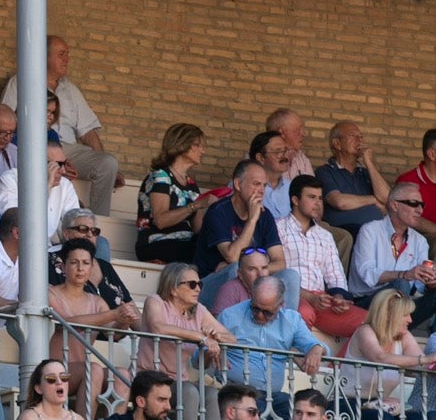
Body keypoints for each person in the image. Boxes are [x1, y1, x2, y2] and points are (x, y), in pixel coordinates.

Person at [1, 35, 121, 214]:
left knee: (108, 163)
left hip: (67, 149)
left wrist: (112, 172)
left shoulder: (70, 89)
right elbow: (5, 120)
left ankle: (94, 223)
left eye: (67, 54)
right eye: (62, 54)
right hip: (32, 145)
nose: (67, 59)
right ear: (44, 56)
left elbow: (88, 132)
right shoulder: (20, 81)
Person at [343, 295, 436, 420]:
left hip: (379, 404)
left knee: (419, 419)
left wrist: (431, 363)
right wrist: (426, 358)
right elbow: (380, 357)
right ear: (389, 315)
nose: (410, 320)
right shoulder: (365, 331)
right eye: (405, 314)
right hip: (347, 405)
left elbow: (419, 363)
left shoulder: (402, 336)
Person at [139, 260, 236, 420]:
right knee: (190, 392)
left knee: (213, 394)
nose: (198, 289)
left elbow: (231, 338)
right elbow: (158, 327)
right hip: (150, 377)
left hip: (180, 380)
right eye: (192, 284)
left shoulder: (198, 310)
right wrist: (201, 337)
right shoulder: (156, 302)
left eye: (199, 284)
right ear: (173, 289)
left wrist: (214, 334)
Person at [218, 276, 325, 420]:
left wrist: (316, 348)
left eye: (267, 312)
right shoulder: (230, 316)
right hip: (238, 392)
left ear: (281, 304)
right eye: (255, 309)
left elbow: (315, 345)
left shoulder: (291, 320)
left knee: (302, 418)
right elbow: (199, 358)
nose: (260, 315)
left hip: (273, 396)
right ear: (251, 297)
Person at [48, 239, 138, 415]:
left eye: (86, 263)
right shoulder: (50, 292)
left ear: (92, 267)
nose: (80, 268)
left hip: (84, 371)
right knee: (94, 369)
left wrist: (125, 319)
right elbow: (66, 324)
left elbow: (115, 333)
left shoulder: (96, 301)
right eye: (74, 263)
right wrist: (114, 313)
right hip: (54, 369)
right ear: (63, 266)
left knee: (122, 375)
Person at [194, 159, 294, 309]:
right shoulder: (218, 211)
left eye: (264, 185)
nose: (261, 190)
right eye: (256, 184)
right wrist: (252, 219)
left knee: (290, 276)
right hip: (209, 283)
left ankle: (283, 327)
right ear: (238, 184)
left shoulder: (266, 216)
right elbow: (233, 257)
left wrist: (256, 269)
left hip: (251, 281)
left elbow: (280, 262)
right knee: (235, 269)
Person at [277, 176, 368, 338]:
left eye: (320, 198)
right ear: (295, 200)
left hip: (322, 300)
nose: (318, 203)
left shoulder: (325, 236)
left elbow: (336, 276)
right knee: (303, 313)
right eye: (311, 197)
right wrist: (309, 297)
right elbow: (274, 275)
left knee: (368, 323)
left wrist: (339, 298)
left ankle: (337, 364)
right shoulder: (278, 228)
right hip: (291, 297)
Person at [349, 185, 436, 323]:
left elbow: (419, 287)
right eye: (413, 203)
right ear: (394, 205)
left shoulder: (420, 241)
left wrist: (430, 281)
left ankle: (432, 340)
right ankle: (396, 334)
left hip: (404, 310)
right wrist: (404, 275)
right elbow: (366, 273)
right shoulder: (370, 230)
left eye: (421, 205)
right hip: (367, 304)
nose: (419, 210)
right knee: (400, 284)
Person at [136, 121, 214, 263]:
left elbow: (199, 230)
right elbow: (160, 221)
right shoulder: (160, 176)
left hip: (184, 245)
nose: (203, 151)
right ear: (181, 144)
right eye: (197, 145)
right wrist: (196, 205)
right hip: (157, 243)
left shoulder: (192, 186)